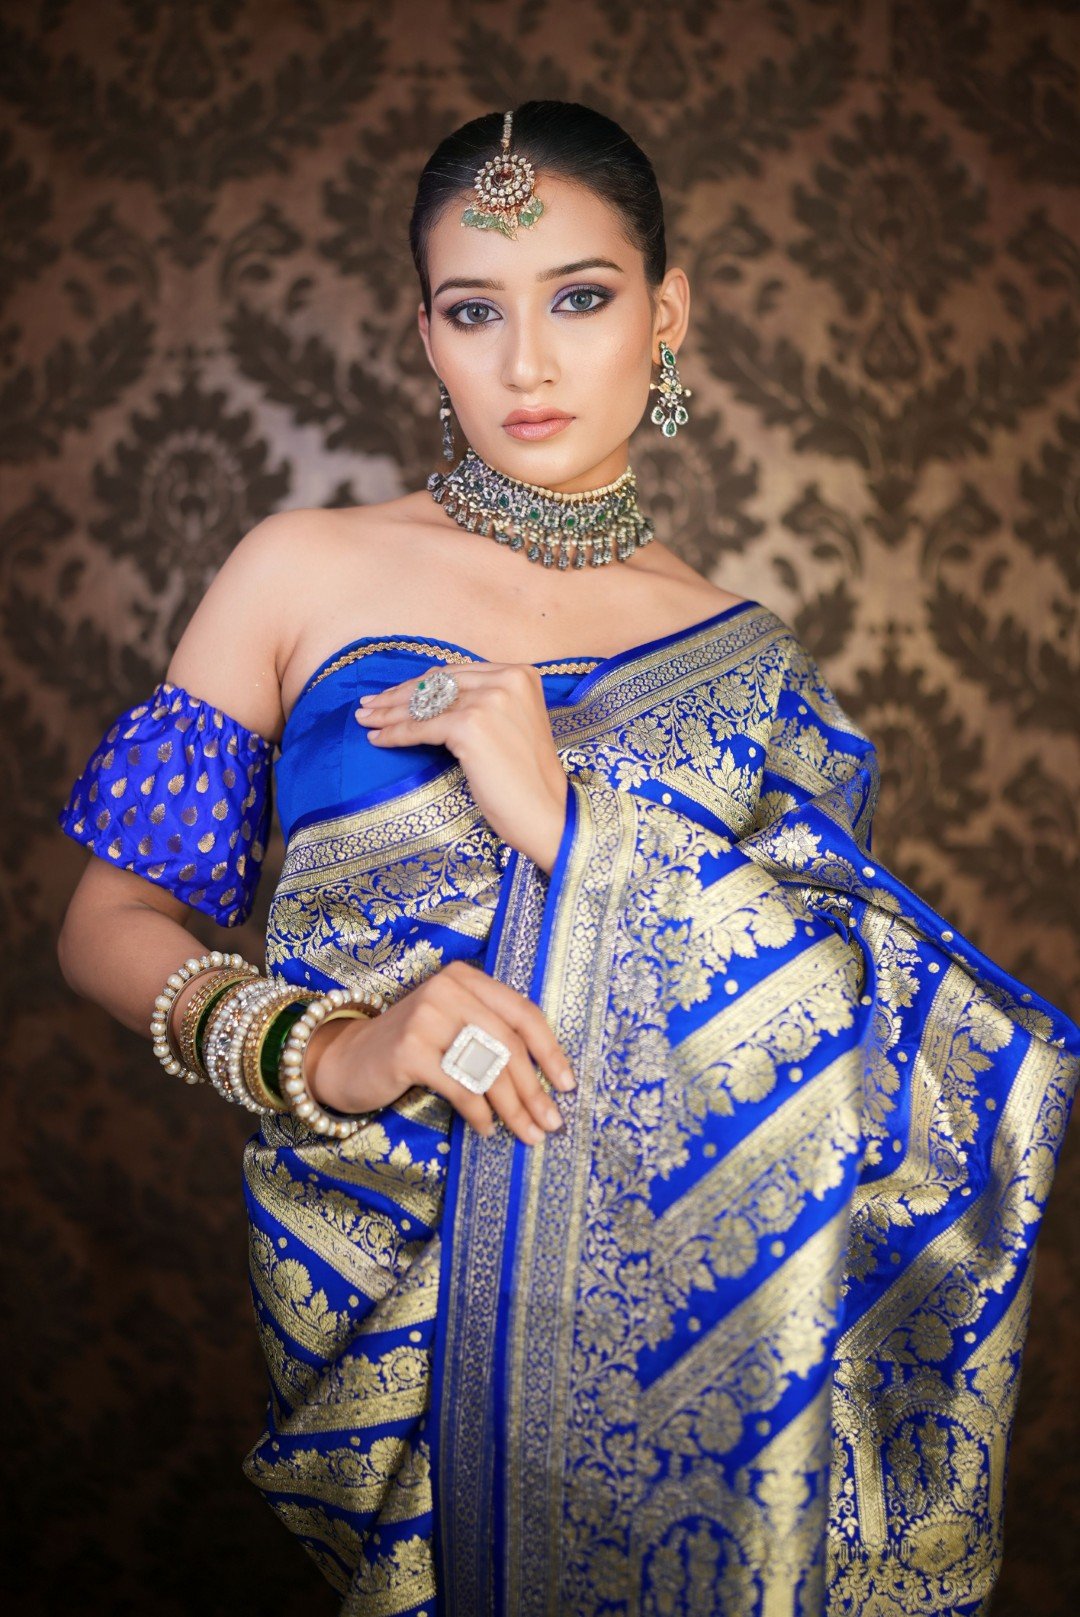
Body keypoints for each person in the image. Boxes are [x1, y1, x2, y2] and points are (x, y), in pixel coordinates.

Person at [55, 100, 1079, 1617]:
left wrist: (569, 828)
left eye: (581, 298)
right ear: (426, 334)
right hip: (392, 1291)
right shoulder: (301, 569)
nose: (527, 364)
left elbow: (863, 1036)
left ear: (668, 313)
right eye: (475, 311)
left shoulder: (756, 669)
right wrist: (328, 1047)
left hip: (685, 1334)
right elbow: (107, 921)